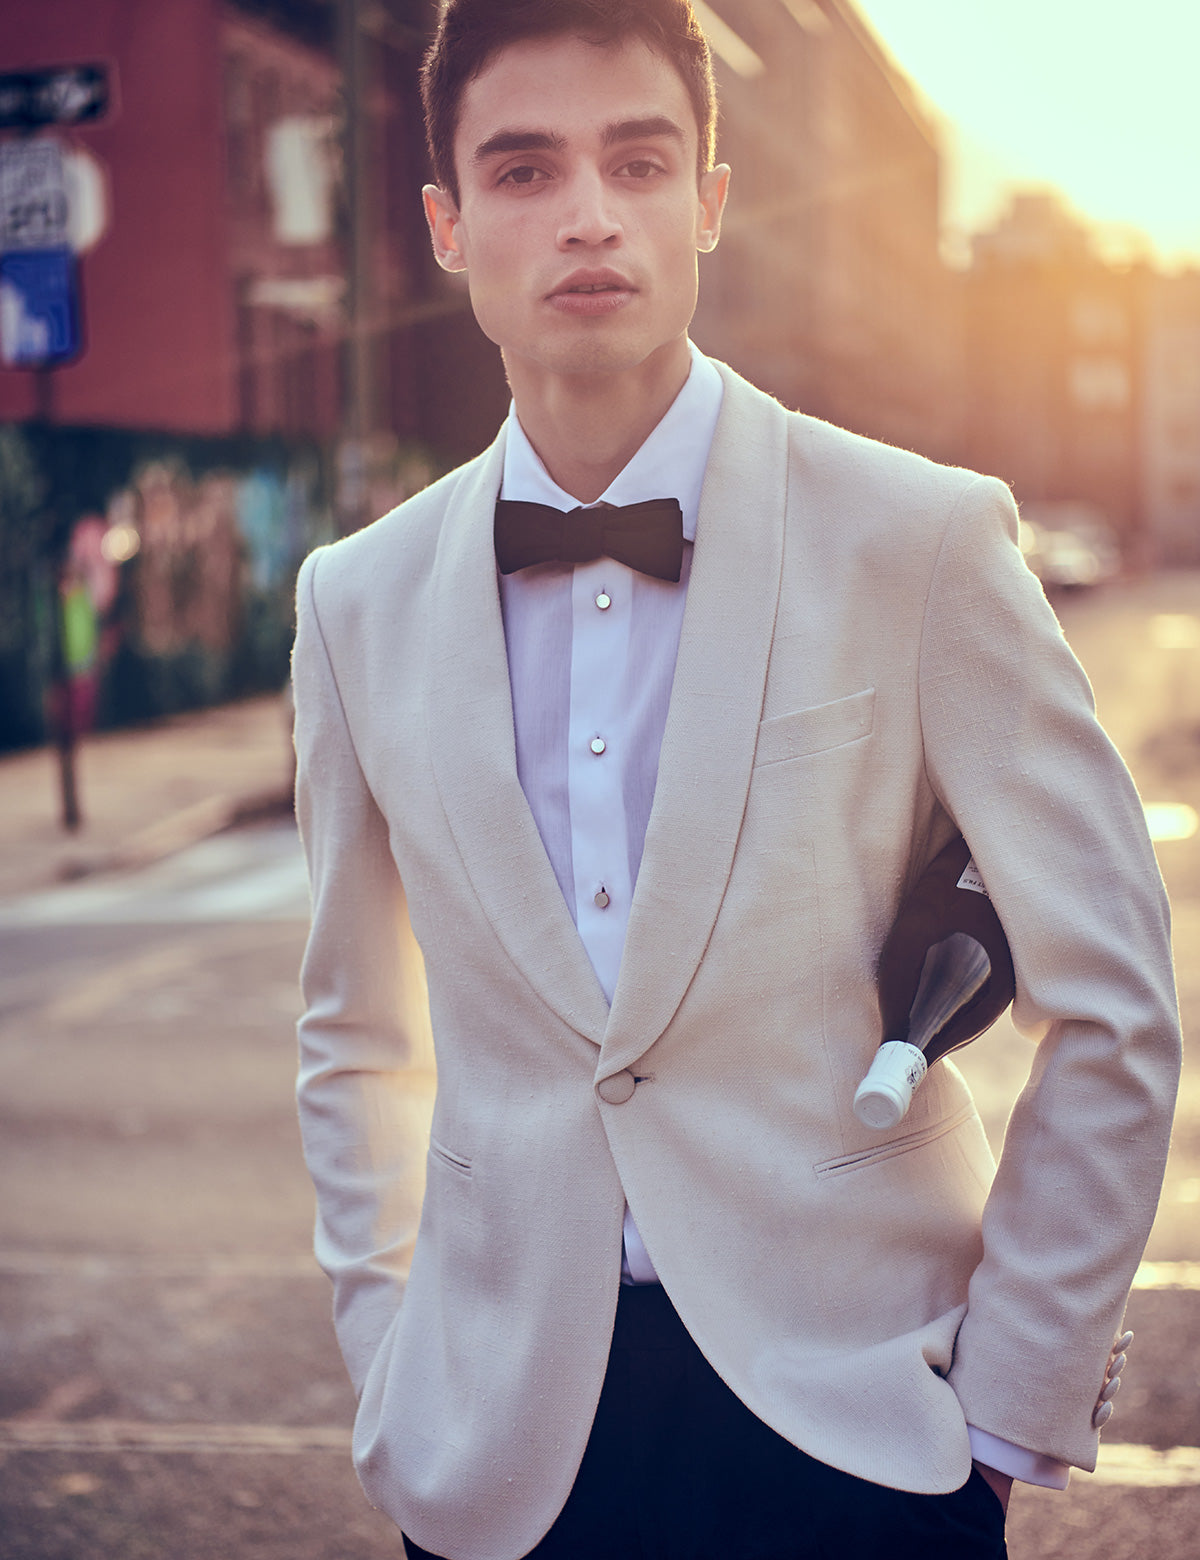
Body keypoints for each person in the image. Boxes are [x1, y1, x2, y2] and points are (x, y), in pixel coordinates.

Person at [290, 3, 1180, 1557]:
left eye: (638, 162)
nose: (588, 215)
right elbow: (354, 1036)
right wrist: (391, 1366)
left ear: (710, 197)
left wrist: (1004, 1407)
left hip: (859, 1439)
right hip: (498, 1454)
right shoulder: (353, 600)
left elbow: (1112, 1000)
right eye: (522, 170)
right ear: (444, 226)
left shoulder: (922, 538)